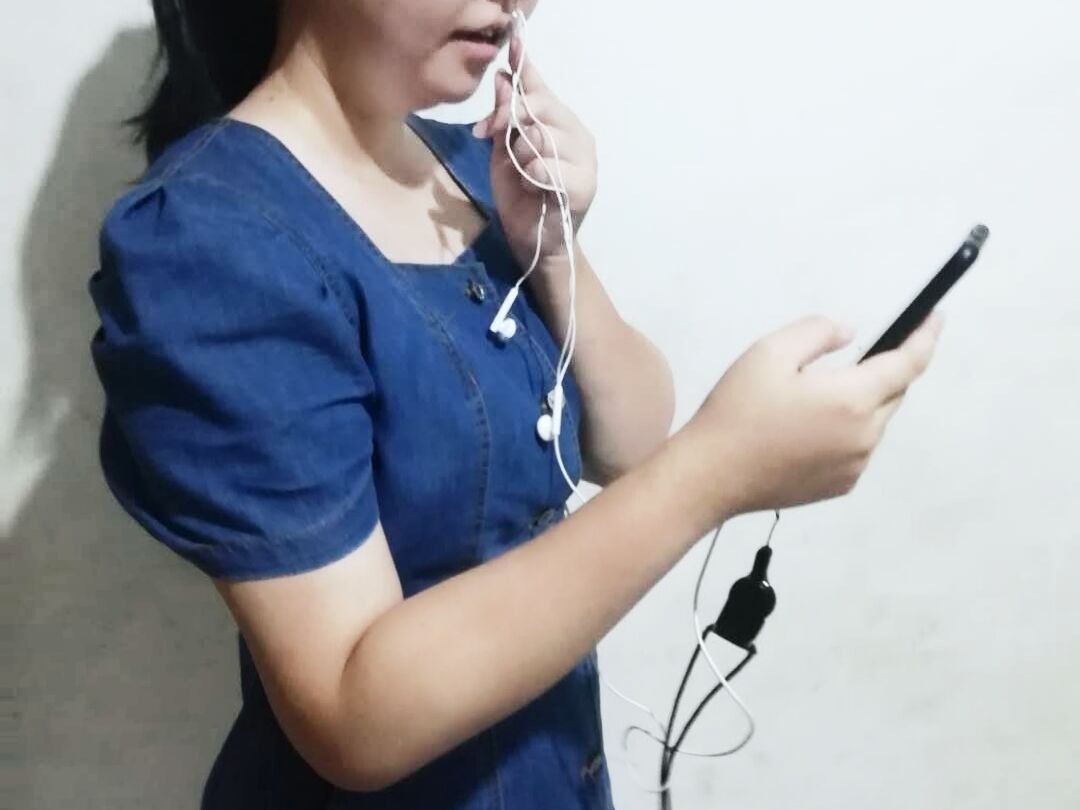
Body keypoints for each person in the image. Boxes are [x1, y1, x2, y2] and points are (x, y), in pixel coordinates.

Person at [86, 1, 942, 808]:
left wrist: (553, 251)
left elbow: (631, 444)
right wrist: (717, 472)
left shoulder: (465, 168)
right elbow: (352, 715)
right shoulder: (207, 242)